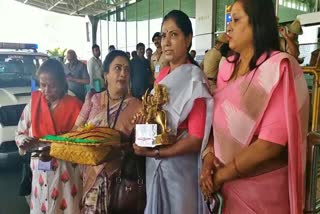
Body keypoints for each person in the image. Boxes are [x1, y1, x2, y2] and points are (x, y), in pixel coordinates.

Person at [200, 1, 309, 213]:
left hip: (262, 195)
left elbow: (270, 145)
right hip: (226, 191)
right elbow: (218, 127)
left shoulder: (276, 69)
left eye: (237, 20)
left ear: (257, 24)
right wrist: (208, 159)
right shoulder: (227, 68)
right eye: (230, 20)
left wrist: (221, 175)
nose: (228, 27)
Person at [133, 10, 213, 214]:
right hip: (155, 164)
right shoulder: (162, 76)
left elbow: (196, 139)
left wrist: (158, 152)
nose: (166, 42)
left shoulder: (194, 79)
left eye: (174, 34)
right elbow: (156, 122)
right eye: (163, 35)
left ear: (188, 39)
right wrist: (142, 123)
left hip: (180, 170)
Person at [73, 50, 143, 213]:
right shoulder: (93, 99)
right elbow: (76, 130)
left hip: (121, 178)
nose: (123, 73)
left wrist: (139, 133)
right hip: (90, 174)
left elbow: (142, 146)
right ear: (106, 75)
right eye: (117, 68)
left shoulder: (137, 106)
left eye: (127, 69)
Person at [15, 59, 83, 214]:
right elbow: (20, 132)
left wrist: (56, 148)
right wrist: (24, 141)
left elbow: (83, 142)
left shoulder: (75, 106)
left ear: (62, 83)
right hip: (40, 172)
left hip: (66, 173)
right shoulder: (32, 104)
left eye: (52, 85)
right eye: (42, 85)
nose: (46, 90)